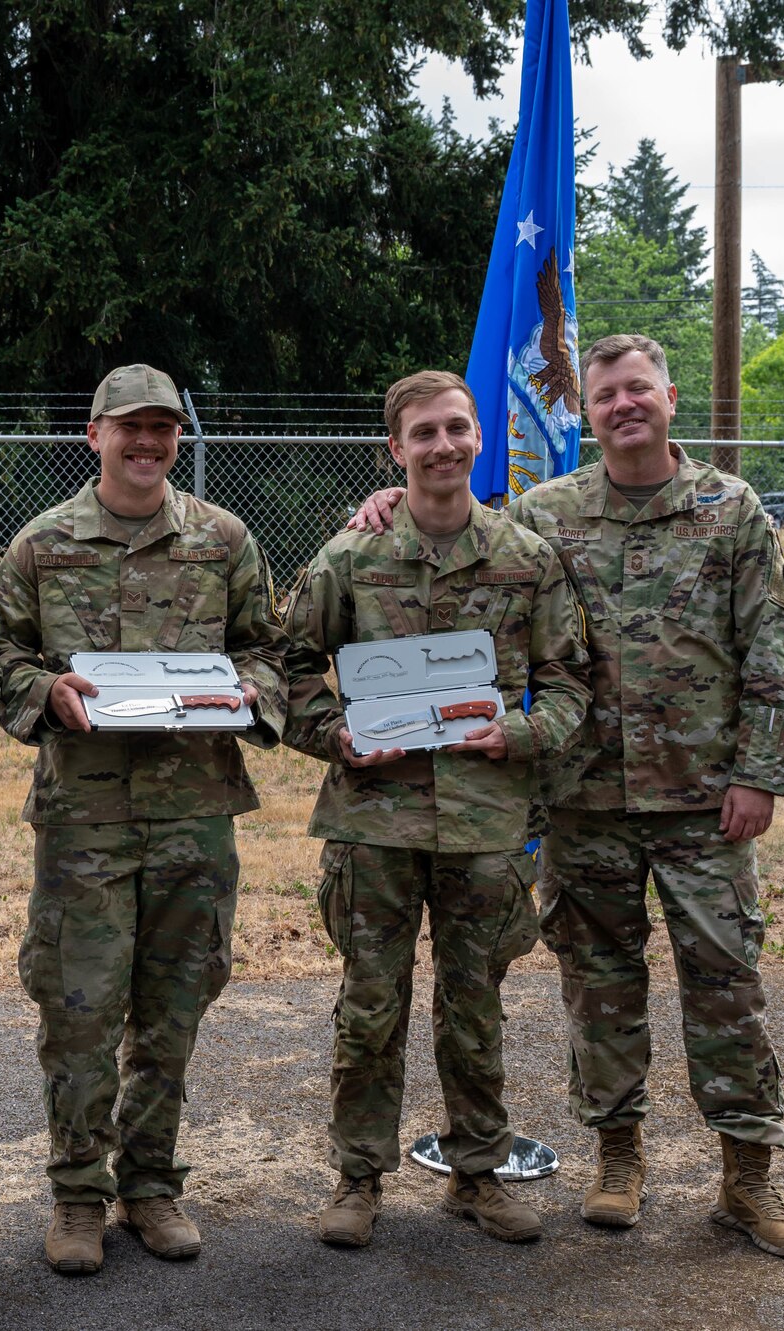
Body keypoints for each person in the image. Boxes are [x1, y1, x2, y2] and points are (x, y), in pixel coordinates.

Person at [350, 333, 784, 1260]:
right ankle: (618, 1158)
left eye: (638, 390)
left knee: (726, 984)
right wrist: (388, 503)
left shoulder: (731, 511)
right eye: (606, 397)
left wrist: (763, 773)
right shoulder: (547, 512)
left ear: (670, 398)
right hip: (581, 799)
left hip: (702, 802)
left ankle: (747, 1178)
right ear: (589, 412)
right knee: (600, 988)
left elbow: (772, 650)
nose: (623, 407)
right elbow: (458, 543)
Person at [0, 364, 288, 1276]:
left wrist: (248, 693)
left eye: (163, 428)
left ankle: (152, 1184)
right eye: (130, 427)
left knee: (173, 1004)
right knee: (79, 1009)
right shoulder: (41, 546)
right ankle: (78, 1193)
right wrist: (46, 690)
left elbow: (271, 652)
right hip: (86, 816)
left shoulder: (223, 539)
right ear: (95, 435)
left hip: (195, 814)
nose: (147, 443)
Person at [284, 370, 590, 1249]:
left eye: (457, 428)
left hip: (485, 820)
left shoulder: (525, 558)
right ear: (396, 449)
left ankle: (479, 1172)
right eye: (424, 433)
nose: (444, 446)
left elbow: (570, 680)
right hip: (373, 818)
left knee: (475, 1002)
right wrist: (336, 735)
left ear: (480, 438)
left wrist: (520, 737)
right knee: (370, 1003)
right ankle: (357, 1176)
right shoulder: (350, 558)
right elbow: (291, 665)